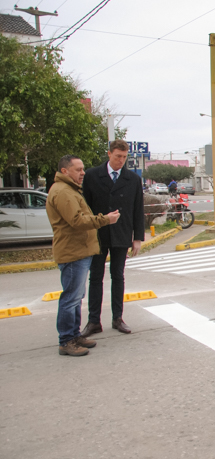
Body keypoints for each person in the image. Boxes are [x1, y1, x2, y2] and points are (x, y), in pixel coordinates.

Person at [46, 155, 120, 356]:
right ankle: (66, 341)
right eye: (78, 169)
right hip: (72, 252)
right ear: (64, 171)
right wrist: (106, 219)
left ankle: (74, 335)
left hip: (78, 250)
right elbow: (78, 221)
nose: (82, 173)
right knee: (70, 298)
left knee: (76, 297)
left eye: (83, 169)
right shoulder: (63, 192)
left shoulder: (69, 190)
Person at [80, 139, 145, 337]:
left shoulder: (132, 179)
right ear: (109, 154)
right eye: (118, 156)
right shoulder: (92, 175)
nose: (121, 161)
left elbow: (137, 209)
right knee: (95, 277)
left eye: (124, 157)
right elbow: (85, 206)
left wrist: (138, 238)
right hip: (98, 234)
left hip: (121, 233)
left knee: (118, 276)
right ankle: (93, 321)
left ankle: (118, 318)